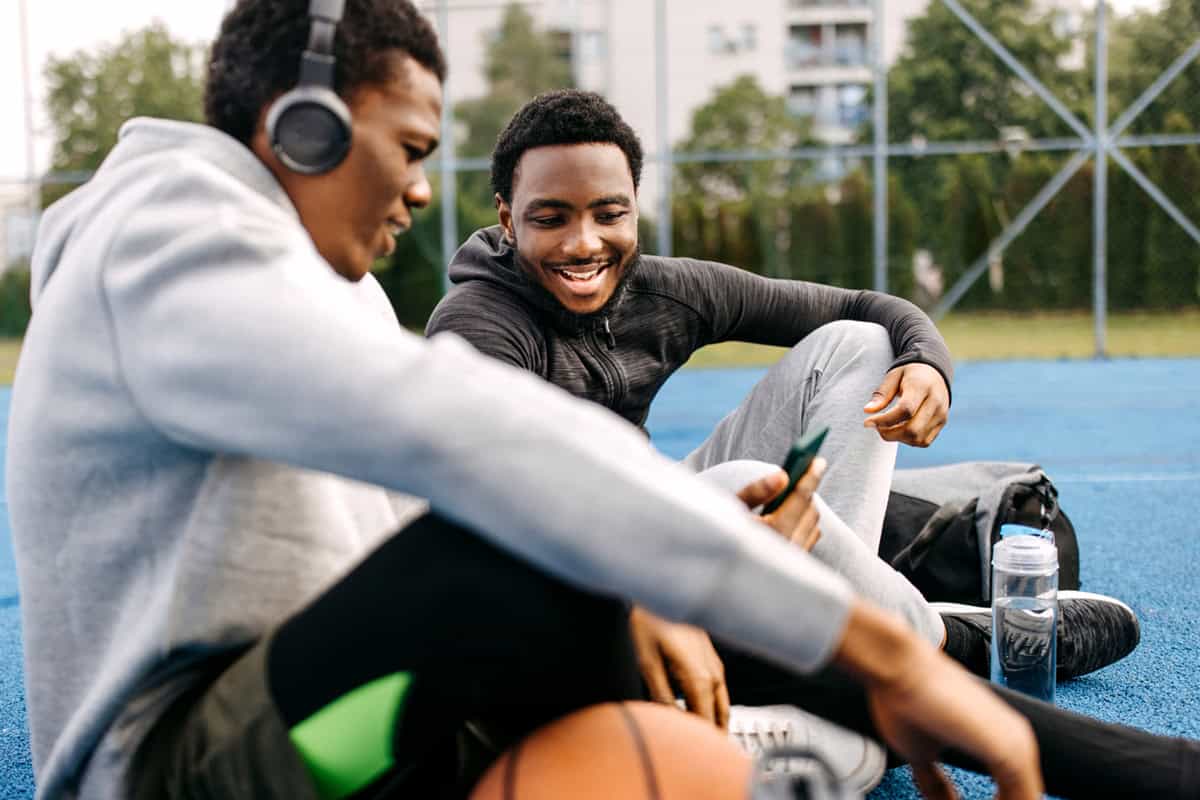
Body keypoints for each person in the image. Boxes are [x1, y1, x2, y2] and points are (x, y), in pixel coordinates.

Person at [5, 2, 1056, 799]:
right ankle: (900, 651)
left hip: (348, 704)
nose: (421, 190)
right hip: (193, 767)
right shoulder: (163, 241)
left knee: (684, 683)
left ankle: (803, 698)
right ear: (309, 129)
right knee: (520, 548)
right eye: (411, 149)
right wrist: (852, 639)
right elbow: (458, 433)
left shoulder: (327, 288)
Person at [424, 90, 1200, 796]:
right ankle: (938, 644)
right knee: (744, 499)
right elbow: (510, 493)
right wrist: (630, 585)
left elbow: (867, 306)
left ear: (634, 209)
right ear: (505, 217)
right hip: (572, 574)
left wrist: (927, 362)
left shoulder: (665, 289)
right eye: (550, 216)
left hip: (672, 539)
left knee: (856, 348)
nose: (583, 241)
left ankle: (854, 638)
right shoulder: (479, 328)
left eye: (609, 212)